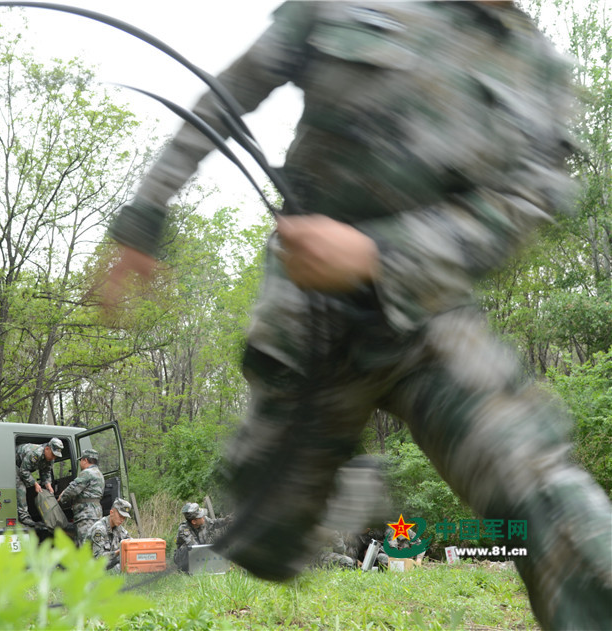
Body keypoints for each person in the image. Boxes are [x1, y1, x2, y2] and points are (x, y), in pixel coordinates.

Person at [99, 2, 612, 628]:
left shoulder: (537, 72)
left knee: (540, 485)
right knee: (267, 539)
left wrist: (375, 254)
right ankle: (340, 489)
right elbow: (229, 95)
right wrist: (147, 214)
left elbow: (524, 208)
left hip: (428, 318)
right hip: (308, 321)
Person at [57, 448, 105, 545]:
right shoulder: (99, 474)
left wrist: (61, 499)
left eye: (81, 460)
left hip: (86, 515)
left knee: (85, 545)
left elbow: (72, 489)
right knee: (94, 543)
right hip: (96, 514)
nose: (80, 463)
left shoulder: (87, 473)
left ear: (85, 460)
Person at [15, 437, 62, 526]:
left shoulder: (50, 458)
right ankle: (23, 516)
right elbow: (24, 471)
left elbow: (46, 471)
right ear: (47, 449)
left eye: (56, 456)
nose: (53, 457)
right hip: (13, 463)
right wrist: (35, 483)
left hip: (24, 467)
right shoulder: (35, 453)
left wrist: (48, 484)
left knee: (36, 487)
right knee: (21, 486)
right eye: (53, 454)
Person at [173, 502, 232, 573]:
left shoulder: (204, 521)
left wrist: (226, 520)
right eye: (201, 516)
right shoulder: (184, 529)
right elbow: (195, 548)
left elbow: (215, 523)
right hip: (186, 557)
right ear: (194, 521)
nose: (203, 517)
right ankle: (186, 571)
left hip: (200, 554)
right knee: (187, 548)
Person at [85, 497, 132, 571]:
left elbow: (131, 542)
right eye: (120, 516)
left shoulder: (118, 528)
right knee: (120, 564)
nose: (122, 520)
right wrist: (118, 552)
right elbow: (98, 558)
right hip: (92, 569)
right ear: (111, 513)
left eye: (124, 517)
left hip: (105, 566)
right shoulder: (99, 529)